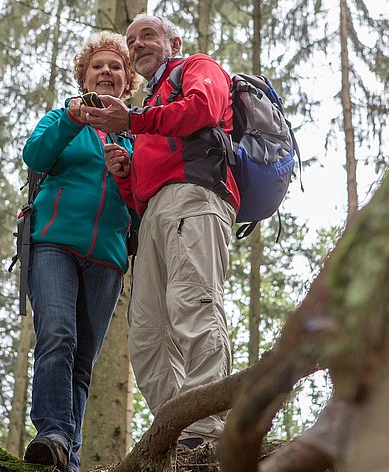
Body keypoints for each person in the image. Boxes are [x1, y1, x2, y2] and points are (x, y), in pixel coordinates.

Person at [81, 14, 239, 448]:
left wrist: (132, 121)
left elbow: (204, 109)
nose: (137, 45)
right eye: (131, 40)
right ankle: (178, 435)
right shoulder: (150, 106)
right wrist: (125, 174)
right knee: (147, 334)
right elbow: (139, 196)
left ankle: (204, 432)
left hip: (196, 197)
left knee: (195, 306)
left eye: (147, 36)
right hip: (153, 214)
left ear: (174, 42)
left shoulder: (197, 68)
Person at [20, 31, 140, 471]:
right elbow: (35, 156)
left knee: (83, 363)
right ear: (84, 77)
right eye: (97, 66)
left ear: (127, 82)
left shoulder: (135, 136)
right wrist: (72, 120)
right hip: (54, 244)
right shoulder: (61, 118)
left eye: (116, 67)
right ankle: (52, 432)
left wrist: (127, 174)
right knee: (57, 335)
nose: (106, 71)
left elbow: (144, 205)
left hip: (108, 258)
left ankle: (64, 458)